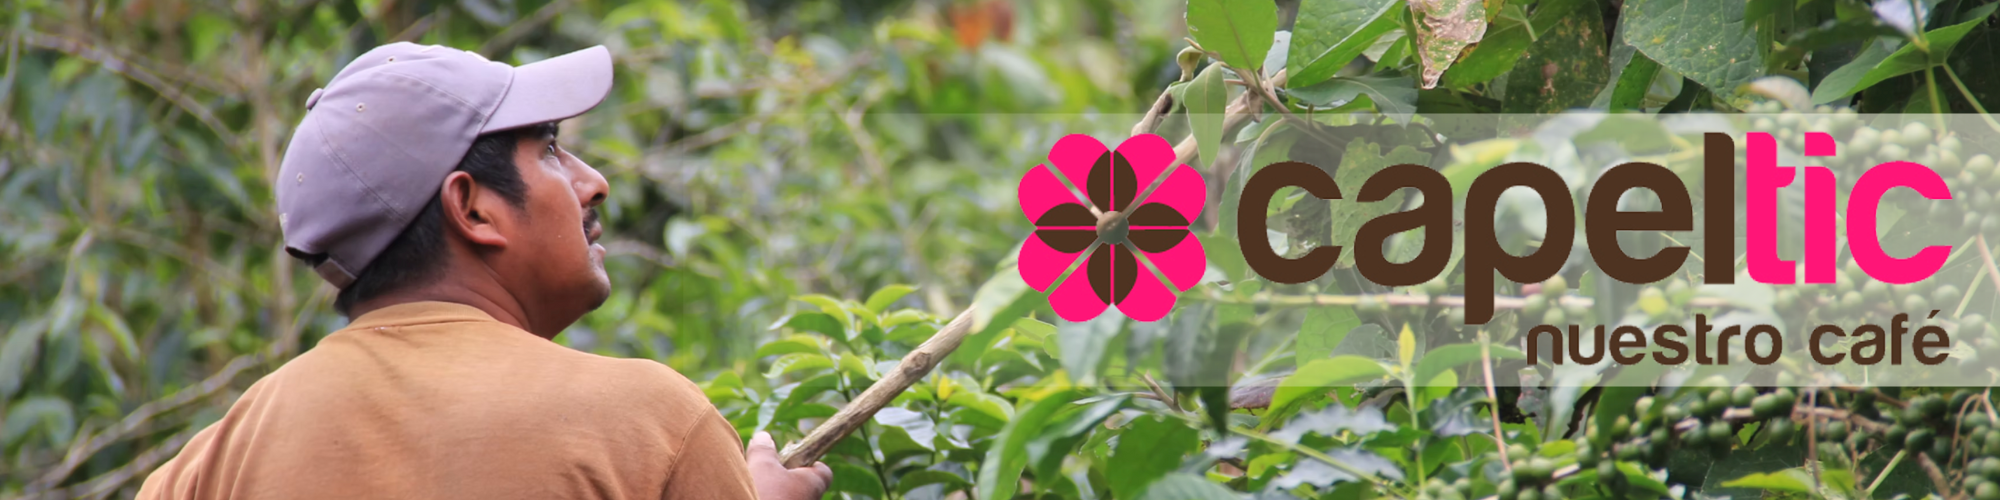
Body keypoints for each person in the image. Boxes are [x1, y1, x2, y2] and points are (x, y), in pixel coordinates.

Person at [136, 42, 832, 500]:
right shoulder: (648, 427)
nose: (595, 184)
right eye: (552, 150)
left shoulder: (208, 468)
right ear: (471, 207)